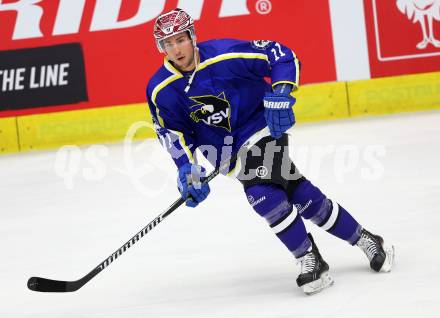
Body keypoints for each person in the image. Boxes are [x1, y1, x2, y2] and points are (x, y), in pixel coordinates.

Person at [146, 8, 395, 295]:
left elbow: (279, 54)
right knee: (298, 193)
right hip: (225, 154)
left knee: (261, 195)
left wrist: (281, 92)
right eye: (168, 43)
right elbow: (173, 132)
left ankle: (309, 259)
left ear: (192, 37)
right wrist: (186, 168)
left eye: (180, 39)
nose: (176, 49)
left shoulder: (225, 54)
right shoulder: (160, 89)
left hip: (260, 128)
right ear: (161, 47)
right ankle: (365, 239)